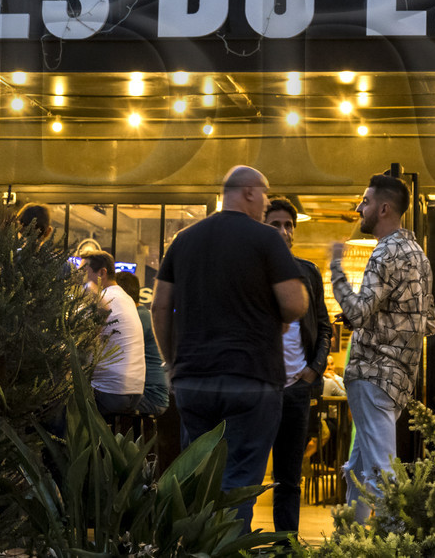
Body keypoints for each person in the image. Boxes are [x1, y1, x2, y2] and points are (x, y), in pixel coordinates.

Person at [151, 165, 307, 532]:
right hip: (251, 378)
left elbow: (160, 306)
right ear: (250, 192)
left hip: (193, 381)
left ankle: (198, 549)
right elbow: (295, 304)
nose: (267, 203)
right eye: (265, 195)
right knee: (239, 483)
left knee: (199, 479)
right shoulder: (266, 240)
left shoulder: (183, 240)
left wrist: (174, 362)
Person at [329, 173, 435, 521]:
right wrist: (391, 322)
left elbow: (358, 313)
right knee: (360, 472)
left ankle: (395, 544)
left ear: (385, 208)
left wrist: (335, 271)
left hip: (373, 373)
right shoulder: (418, 255)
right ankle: (350, 540)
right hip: (399, 379)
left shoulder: (384, 253)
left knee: (381, 476)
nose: (361, 208)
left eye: (366, 201)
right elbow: (428, 321)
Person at [263, 196, 332, 534]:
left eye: (288, 225)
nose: (284, 231)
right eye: (275, 224)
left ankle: (285, 546)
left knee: (288, 479)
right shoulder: (251, 272)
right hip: (259, 388)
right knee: (245, 475)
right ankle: (239, 547)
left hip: (296, 389)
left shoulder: (308, 273)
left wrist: (313, 370)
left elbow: (325, 326)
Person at [83, 252, 146, 415]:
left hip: (110, 392)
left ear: (102, 273)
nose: (81, 276)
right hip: (135, 392)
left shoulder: (104, 297)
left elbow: (75, 328)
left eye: (84, 271)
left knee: (57, 407)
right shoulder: (126, 298)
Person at [116, 272, 168, 416]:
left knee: (95, 400)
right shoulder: (143, 314)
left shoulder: (136, 319)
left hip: (151, 397)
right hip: (156, 394)